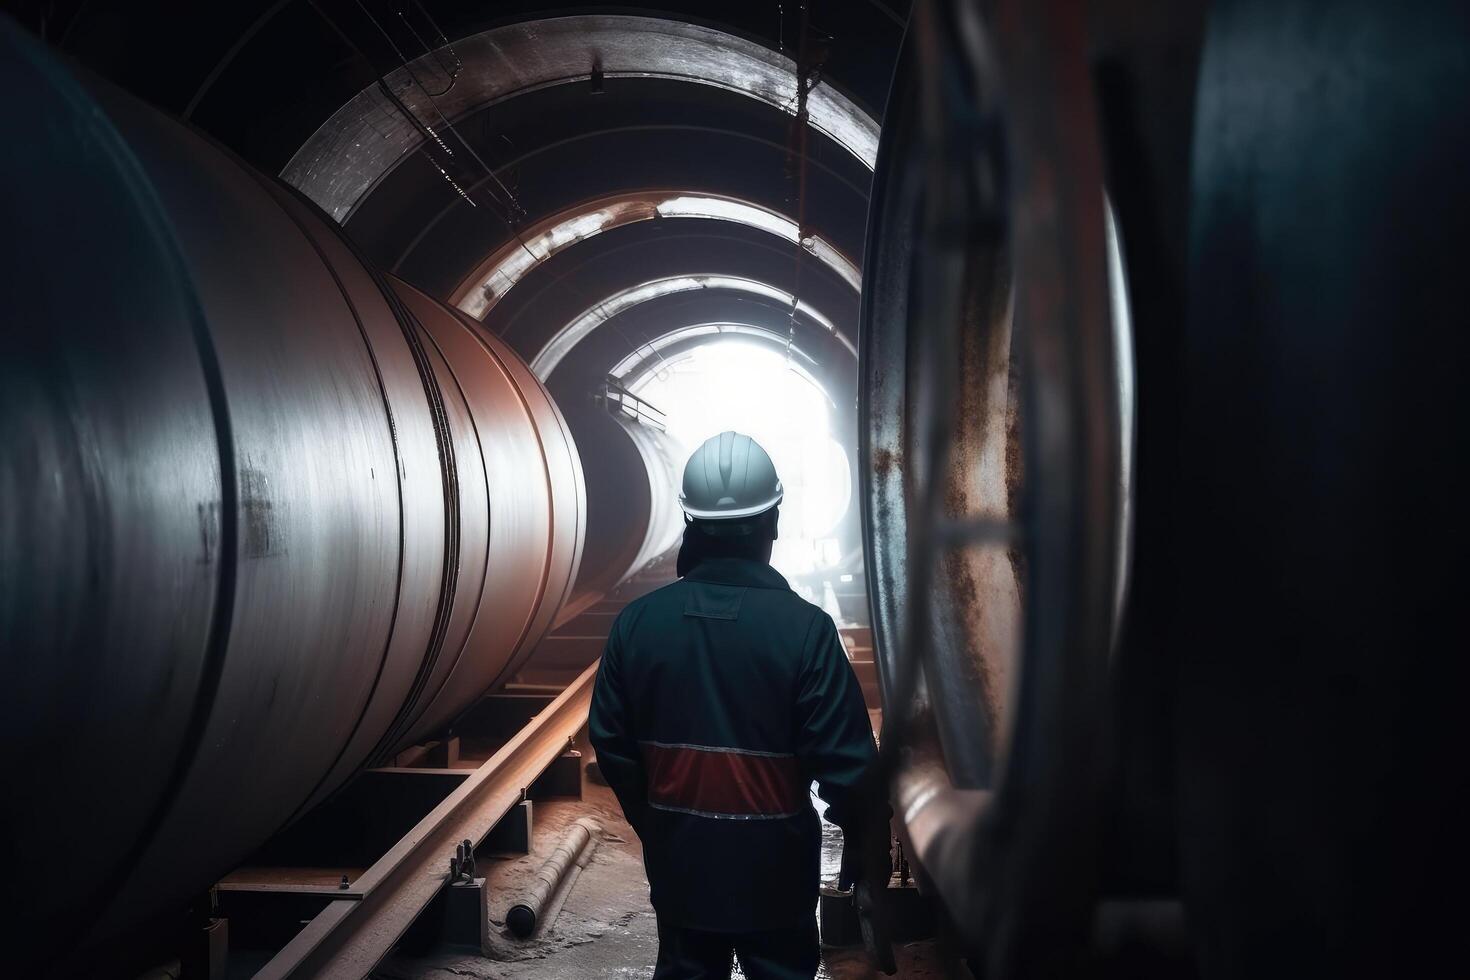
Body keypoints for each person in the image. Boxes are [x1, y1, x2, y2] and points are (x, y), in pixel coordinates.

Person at [590, 430, 891, 980]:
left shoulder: (636, 626)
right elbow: (850, 771)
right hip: (774, 877)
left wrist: (658, 827)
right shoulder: (806, 632)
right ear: (773, 522)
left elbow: (611, 743)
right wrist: (869, 851)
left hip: (681, 871)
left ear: (689, 524)